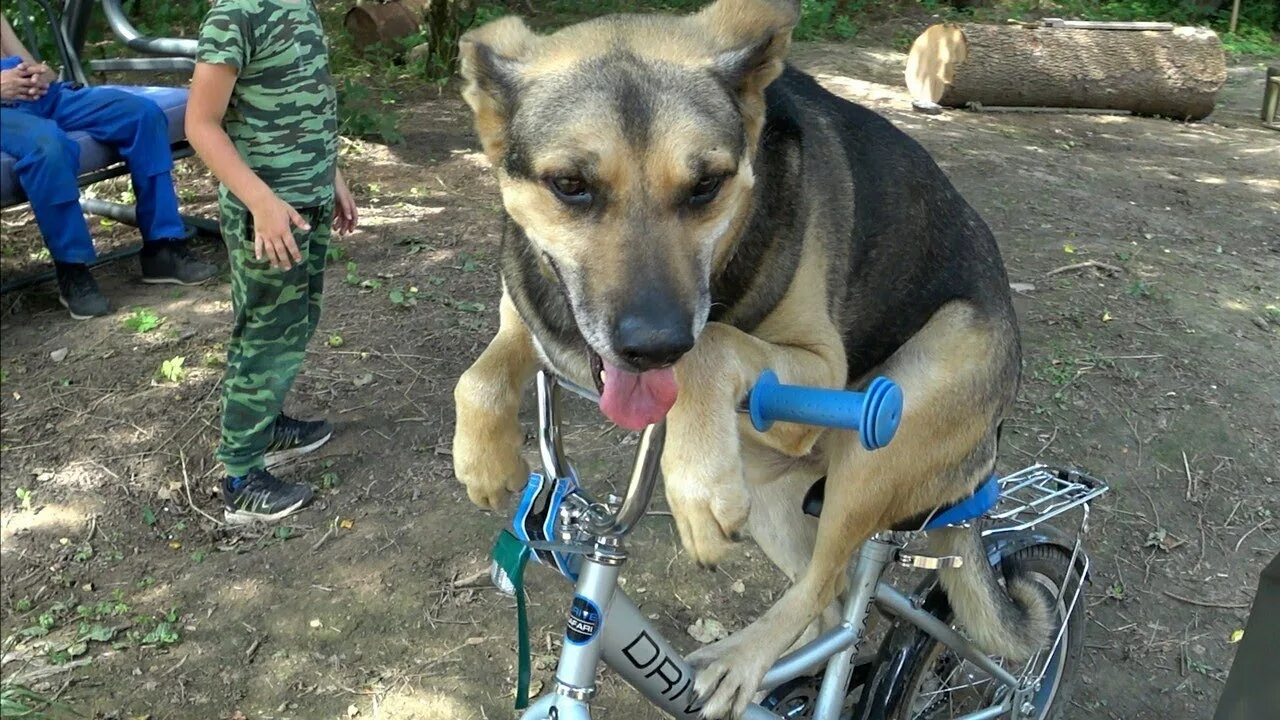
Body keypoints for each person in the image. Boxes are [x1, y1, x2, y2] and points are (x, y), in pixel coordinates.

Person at [187, 0, 358, 524]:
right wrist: (261, 203)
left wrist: (333, 177)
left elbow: (306, 105)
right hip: (267, 213)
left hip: (305, 204)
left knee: (294, 322)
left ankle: (265, 423)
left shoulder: (299, 5)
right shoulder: (234, 15)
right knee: (266, 333)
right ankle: (240, 476)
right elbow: (201, 124)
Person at [0, 16, 217, 319]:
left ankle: (163, 247)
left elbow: (20, 57)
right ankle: (72, 269)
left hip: (38, 96)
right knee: (49, 147)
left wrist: (38, 72)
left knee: (142, 114)